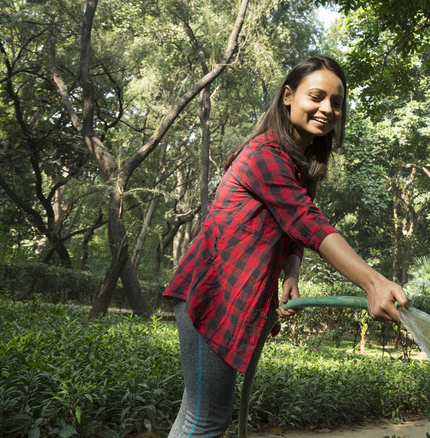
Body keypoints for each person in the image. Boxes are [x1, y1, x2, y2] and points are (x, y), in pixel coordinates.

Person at [163, 56, 408, 438]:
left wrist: (290, 271)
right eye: (317, 96)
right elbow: (307, 222)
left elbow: (292, 228)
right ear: (288, 97)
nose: (327, 109)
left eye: (336, 102)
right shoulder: (265, 154)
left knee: (203, 416)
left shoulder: (299, 163)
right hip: (209, 297)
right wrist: (373, 282)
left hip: (236, 300)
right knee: (203, 419)